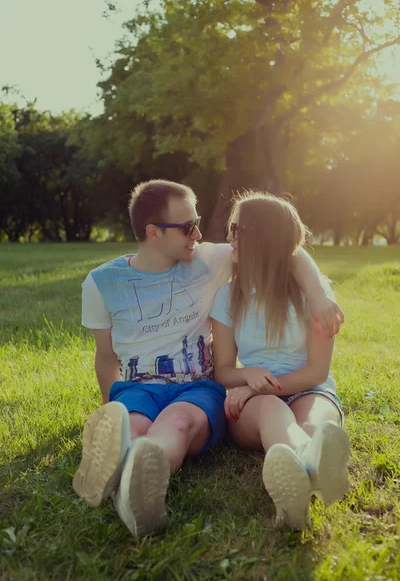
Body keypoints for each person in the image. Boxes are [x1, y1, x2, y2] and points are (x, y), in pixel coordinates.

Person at [73, 180, 344, 537]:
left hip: (215, 389)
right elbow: (107, 357)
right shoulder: (104, 283)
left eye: (202, 223)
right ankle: (126, 477)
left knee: (183, 423)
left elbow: (286, 246)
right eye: (188, 226)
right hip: (167, 389)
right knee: (137, 423)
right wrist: (112, 404)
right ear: (154, 233)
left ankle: (303, 471)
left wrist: (319, 293)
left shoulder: (210, 258)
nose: (201, 234)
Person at [210, 191, 350, 531]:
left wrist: (256, 387)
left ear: (261, 237)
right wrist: (250, 380)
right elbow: (223, 370)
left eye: (236, 228)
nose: (229, 236)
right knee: (274, 411)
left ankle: (300, 478)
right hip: (257, 405)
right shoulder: (228, 295)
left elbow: (317, 372)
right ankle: (306, 470)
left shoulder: (315, 300)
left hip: (308, 388)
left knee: (318, 420)